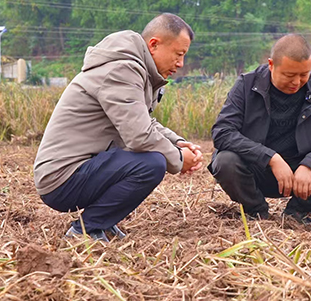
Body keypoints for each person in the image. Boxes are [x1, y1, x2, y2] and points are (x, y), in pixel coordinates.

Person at [34, 13, 203, 242]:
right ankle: (86, 229)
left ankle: (103, 222)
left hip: (82, 168)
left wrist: (177, 142)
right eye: (179, 54)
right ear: (154, 45)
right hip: (62, 177)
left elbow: (143, 122)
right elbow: (140, 135)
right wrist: (179, 159)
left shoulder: (136, 69)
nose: (181, 64)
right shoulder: (121, 70)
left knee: (147, 158)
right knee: (152, 163)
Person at [209, 34, 311, 224]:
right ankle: (256, 212)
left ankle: (296, 212)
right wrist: (270, 158)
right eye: (289, 75)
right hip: (257, 170)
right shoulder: (247, 85)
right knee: (225, 161)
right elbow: (223, 132)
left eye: (304, 75)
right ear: (271, 65)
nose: (296, 82)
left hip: (301, 174)